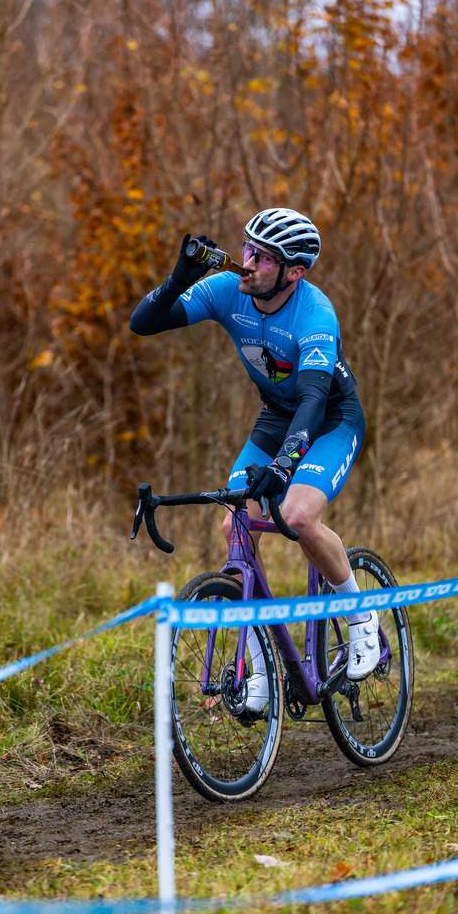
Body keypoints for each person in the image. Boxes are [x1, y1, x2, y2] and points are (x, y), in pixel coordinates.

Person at [130, 207, 380, 712]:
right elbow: (143, 324)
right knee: (235, 528)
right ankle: (262, 666)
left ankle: (361, 617)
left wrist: (286, 466)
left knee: (299, 516)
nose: (246, 262)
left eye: (261, 257)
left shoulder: (315, 313)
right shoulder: (229, 290)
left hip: (329, 417)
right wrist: (180, 278)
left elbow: (313, 399)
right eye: (246, 248)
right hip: (275, 418)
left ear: (294, 272)